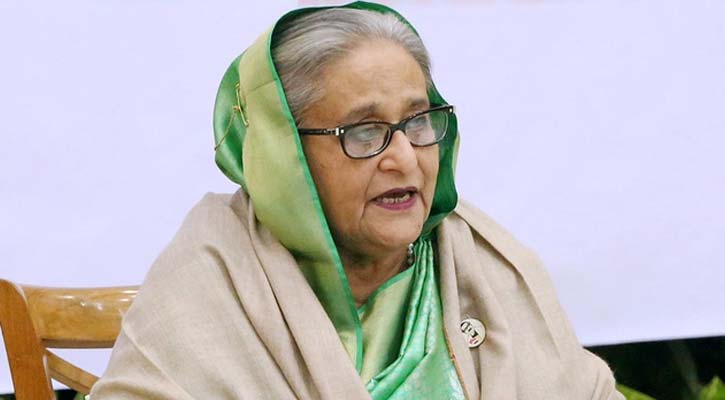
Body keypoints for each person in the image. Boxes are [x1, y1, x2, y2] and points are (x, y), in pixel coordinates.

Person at [91, 2, 624, 399]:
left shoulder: (483, 265)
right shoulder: (210, 279)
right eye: (364, 132)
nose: (405, 159)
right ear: (284, 153)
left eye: (418, 121)